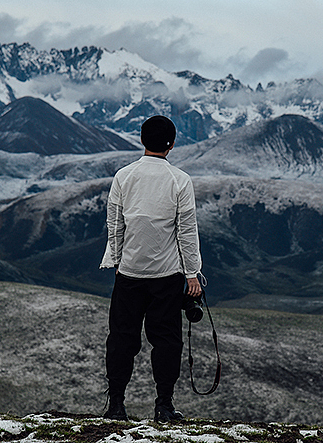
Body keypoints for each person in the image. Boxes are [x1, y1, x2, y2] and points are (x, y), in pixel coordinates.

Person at [99, 115, 203, 422]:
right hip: (167, 277)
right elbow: (186, 231)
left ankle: (116, 404)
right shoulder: (180, 180)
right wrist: (192, 274)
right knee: (167, 341)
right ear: (171, 144)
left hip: (129, 273)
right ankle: (164, 406)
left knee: (121, 339)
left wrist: (117, 261)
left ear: (142, 140)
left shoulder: (123, 176)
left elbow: (115, 225)